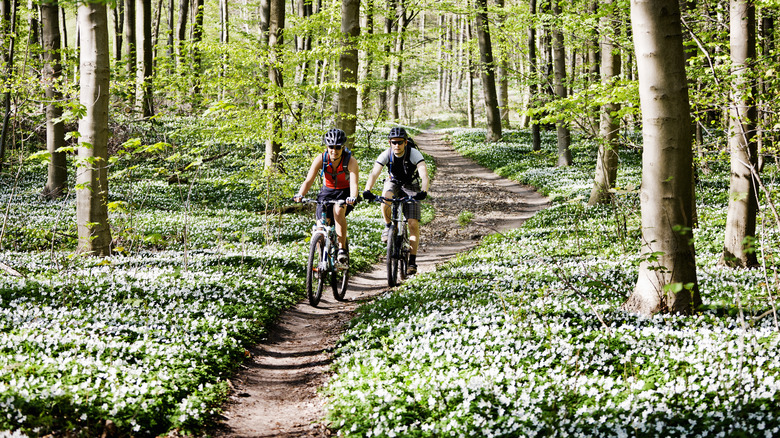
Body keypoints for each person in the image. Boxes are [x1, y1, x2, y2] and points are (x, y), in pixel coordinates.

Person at [362, 126, 430, 275]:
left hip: (411, 185)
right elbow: (374, 173)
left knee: (412, 223)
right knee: (386, 196)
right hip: (393, 182)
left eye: (400, 142)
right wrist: (367, 190)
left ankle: (412, 261)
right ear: (390, 143)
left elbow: (424, 174)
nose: (397, 145)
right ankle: (388, 226)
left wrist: (423, 191)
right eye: (394, 142)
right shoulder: (386, 154)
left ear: (405, 142)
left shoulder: (414, 154)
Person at [294, 128, 359, 265]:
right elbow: (308, 180)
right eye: (331, 147)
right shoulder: (321, 158)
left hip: (344, 192)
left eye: (337, 147)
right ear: (327, 147)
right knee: (320, 227)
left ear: (343, 147)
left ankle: (342, 250)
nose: (334, 151)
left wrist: (353, 197)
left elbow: (354, 183)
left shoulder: (350, 161)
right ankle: (320, 260)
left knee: (337, 211)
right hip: (326, 192)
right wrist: (300, 194)